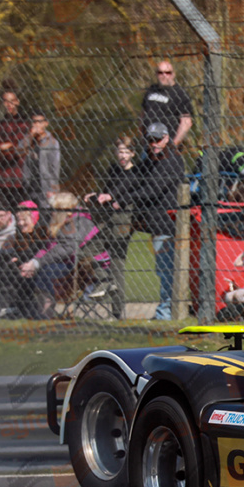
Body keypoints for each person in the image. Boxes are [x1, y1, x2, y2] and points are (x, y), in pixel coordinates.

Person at [20, 192, 108, 319]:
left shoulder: (79, 221)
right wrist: (33, 262)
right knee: (33, 272)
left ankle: (45, 315)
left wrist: (38, 264)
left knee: (46, 273)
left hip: (92, 268)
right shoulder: (62, 221)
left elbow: (66, 249)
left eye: (53, 209)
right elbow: (49, 247)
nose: (51, 212)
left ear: (63, 209)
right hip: (72, 263)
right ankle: (31, 312)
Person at [84, 135, 144, 319]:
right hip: (109, 220)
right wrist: (97, 195)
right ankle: (105, 280)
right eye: (120, 151)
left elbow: (122, 190)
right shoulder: (114, 169)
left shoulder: (135, 173)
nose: (122, 155)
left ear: (133, 153)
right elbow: (108, 190)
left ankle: (117, 314)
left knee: (117, 265)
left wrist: (111, 197)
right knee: (85, 254)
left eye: (126, 151)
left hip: (122, 223)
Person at [136, 122, 185, 320]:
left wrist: (122, 199)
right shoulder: (152, 159)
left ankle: (166, 312)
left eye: (157, 139)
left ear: (166, 138)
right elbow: (137, 179)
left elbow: (151, 189)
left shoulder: (172, 160)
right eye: (150, 140)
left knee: (166, 270)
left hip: (168, 224)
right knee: (162, 269)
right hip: (157, 224)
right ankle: (167, 310)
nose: (154, 143)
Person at [0, 201, 50, 319]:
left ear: (34, 217)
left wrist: (20, 260)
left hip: (41, 269)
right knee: (7, 270)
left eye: (24, 220)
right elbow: (17, 253)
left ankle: (18, 308)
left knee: (17, 275)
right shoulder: (20, 233)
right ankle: (7, 306)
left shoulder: (43, 231)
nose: (20, 223)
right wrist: (17, 259)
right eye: (18, 220)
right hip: (20, 270)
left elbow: (36, 253)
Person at [0, 87, 29, 210]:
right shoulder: (0, 124)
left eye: (12, 101)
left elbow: (16, 148)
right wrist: (2, 147)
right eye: (5, 101)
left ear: (18, 102)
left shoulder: (23, 123)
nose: (8, 104)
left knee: (19, 213)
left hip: (18, 178)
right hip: (0, 177)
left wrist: (2, 147)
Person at [17, 111, 61, 220]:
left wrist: (53, 187)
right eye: (33, 122)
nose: (34, 125)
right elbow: (18, 151)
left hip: (45, 187)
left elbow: (55, 166)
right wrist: (30, 136)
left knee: (45, 216)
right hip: (29, 185)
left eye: (38, 122)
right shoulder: (29, 140)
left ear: (45, 123)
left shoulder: (52, 142)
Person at [140, 61, 193, 147]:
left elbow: (186, 122)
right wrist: (142, 138)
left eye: (168, 73)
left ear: (173, 74)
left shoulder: (180, 94)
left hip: (167, 146)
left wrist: (174, 143)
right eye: (160, 73)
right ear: (156, 74)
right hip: (148, 144)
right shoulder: (151, 90)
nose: (164, 75)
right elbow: (142, 115)